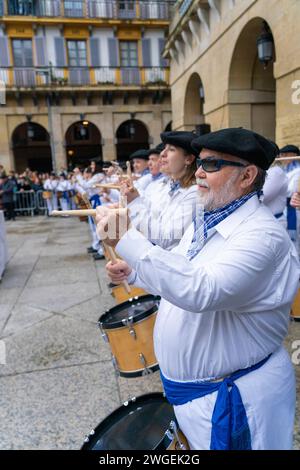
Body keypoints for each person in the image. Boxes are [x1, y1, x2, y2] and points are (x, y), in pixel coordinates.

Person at [96, 128, 299, 450]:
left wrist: (125, 237)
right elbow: (182, 269)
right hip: (204, 396)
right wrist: (135, 273)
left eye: (213, 164)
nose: (200, 173)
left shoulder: (263, 236)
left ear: (247, 176)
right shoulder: (207, 219)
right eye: (201, 163)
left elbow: (202, 290)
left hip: (235, 399)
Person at [123, 132, 199, 250]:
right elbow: (155, 212)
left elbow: (166, 239)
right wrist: (135, 197)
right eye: (164, 149)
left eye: (171, 149)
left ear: (188, 159)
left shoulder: (194, 193)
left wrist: (135, 204)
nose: (162, 154)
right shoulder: (173, 185)